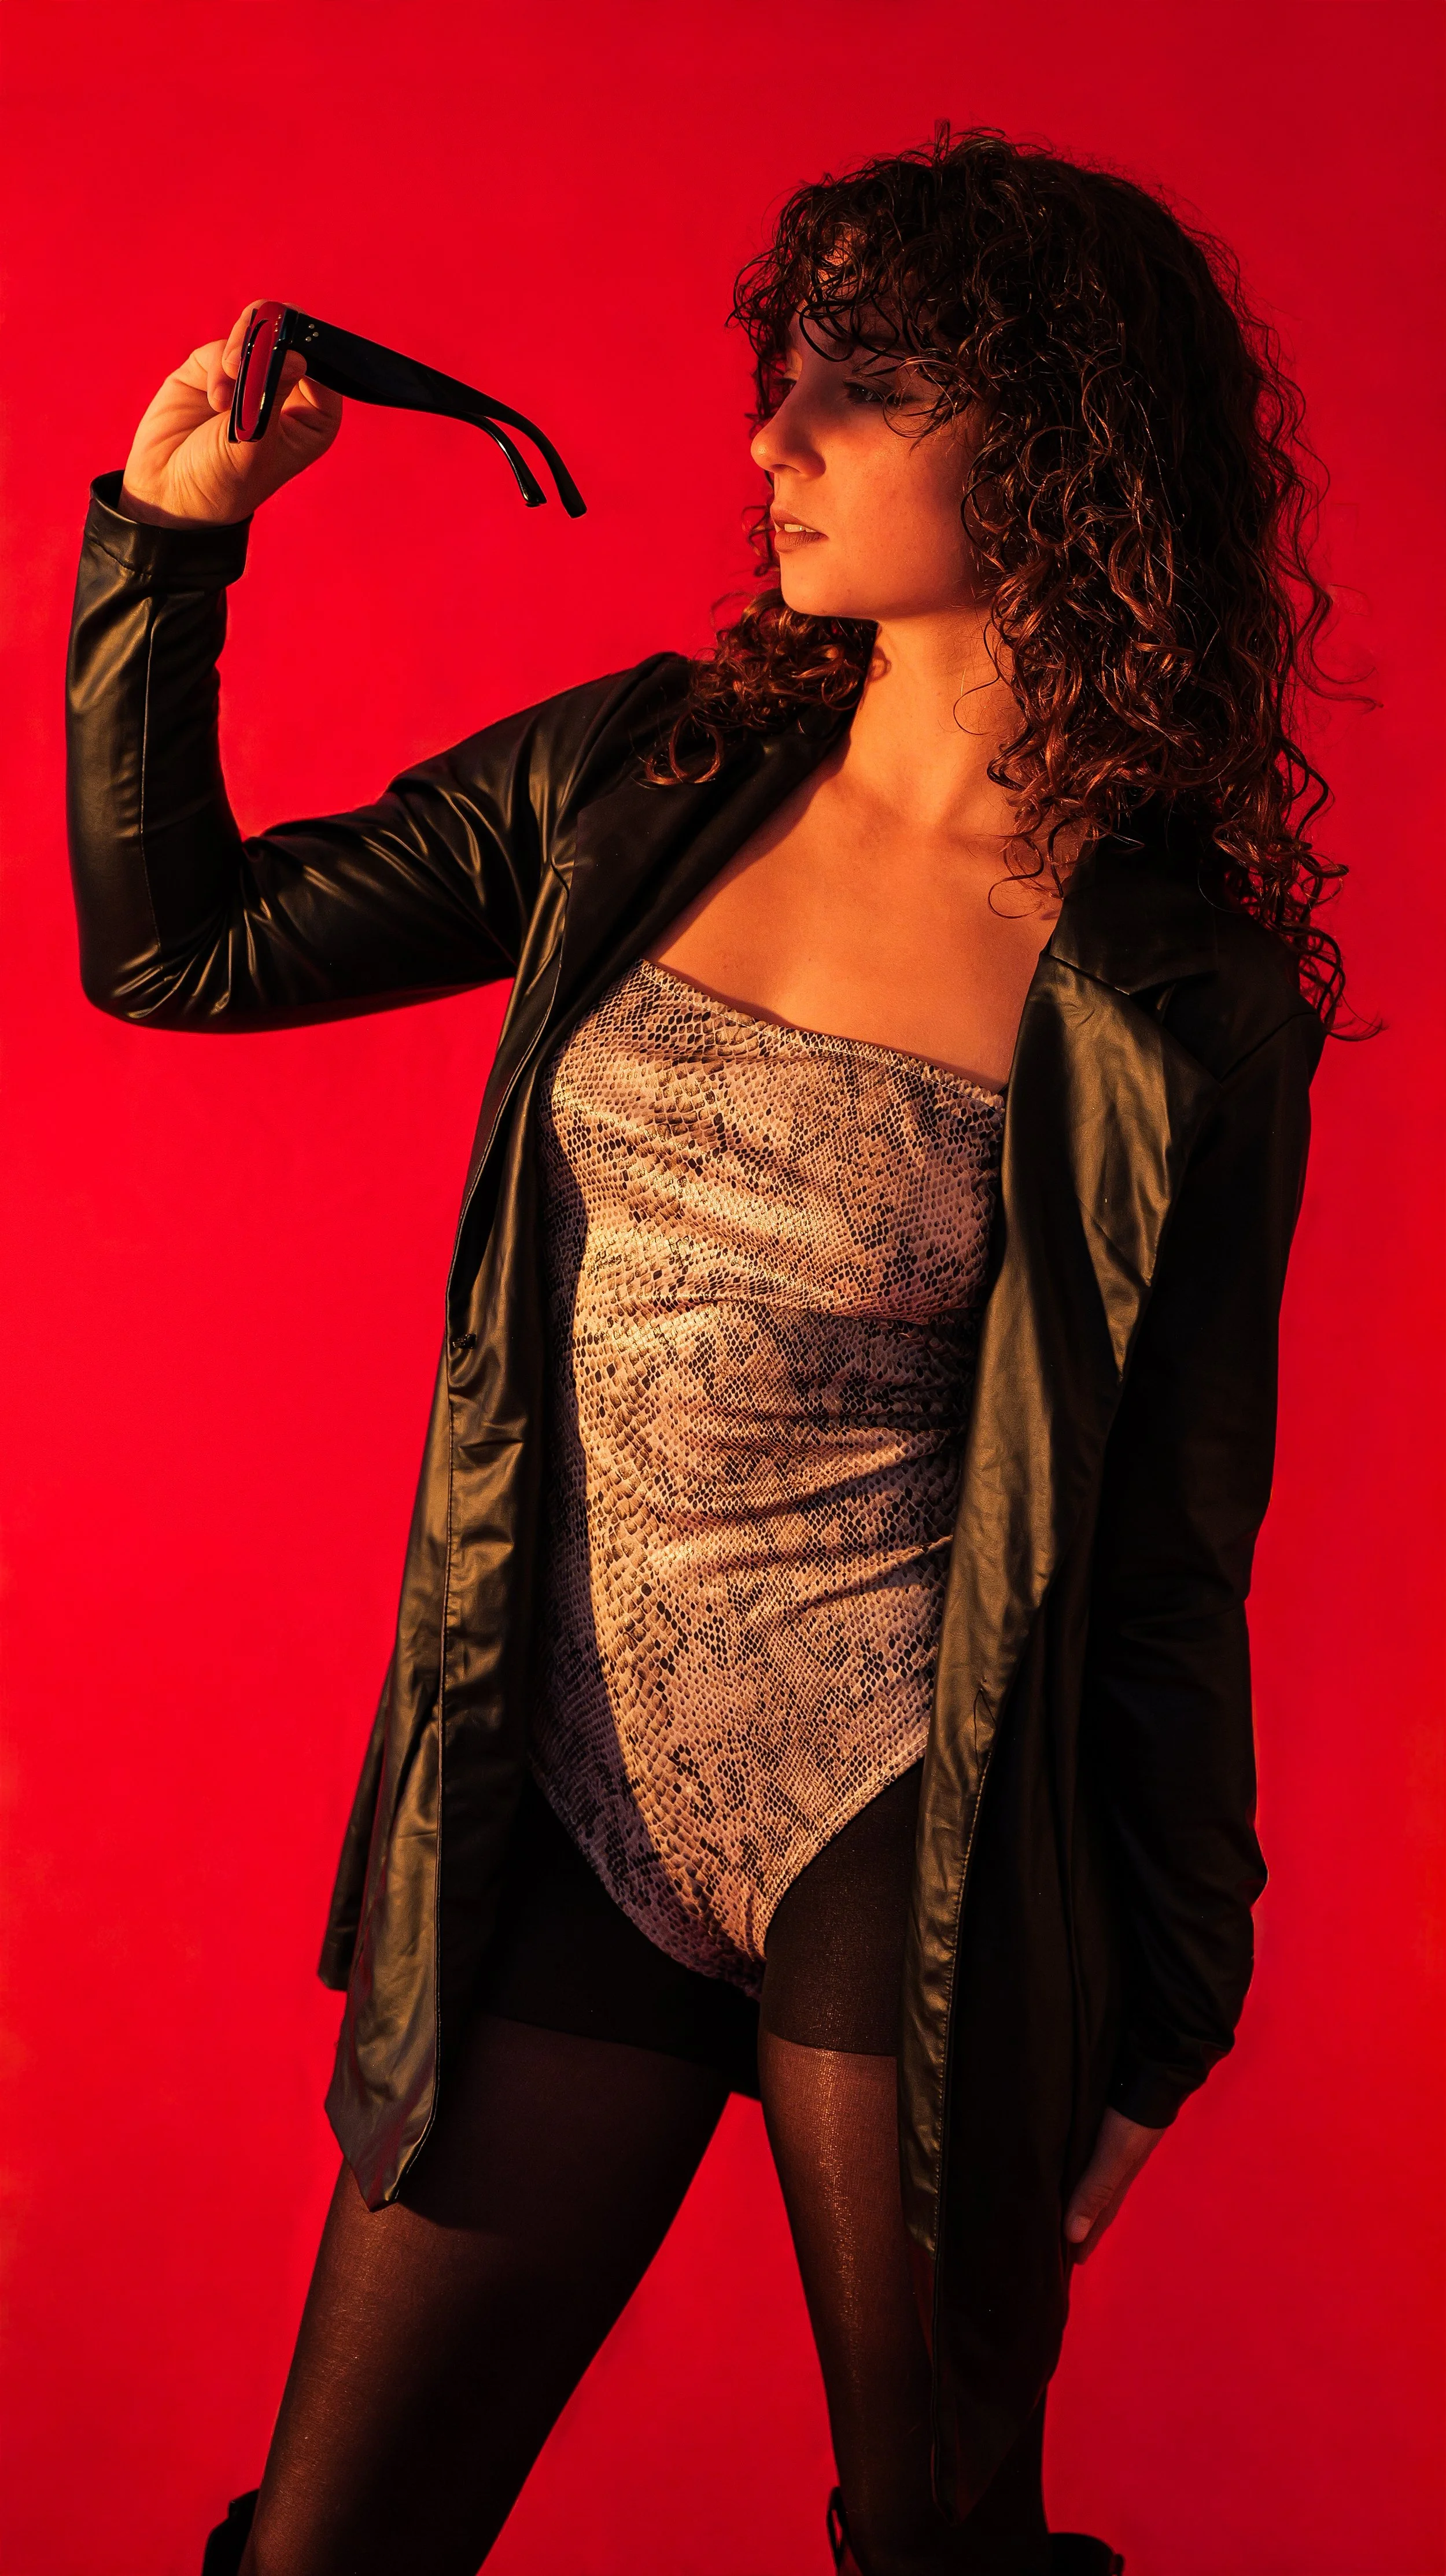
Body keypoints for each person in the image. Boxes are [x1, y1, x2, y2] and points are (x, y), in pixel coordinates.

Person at [65, 129, 1342, 2576]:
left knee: (933, 2547)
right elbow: (181, 947)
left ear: (1048, 440)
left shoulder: (1168, 993)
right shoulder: (632, 781)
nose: (771, 442)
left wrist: (1162, 2027)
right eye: (784, 381)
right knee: (330, 2548)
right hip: (559, 1792)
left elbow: (1179, 1548)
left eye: (851, 393)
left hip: (904, 1831)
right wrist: (171, 543)